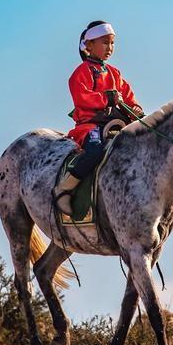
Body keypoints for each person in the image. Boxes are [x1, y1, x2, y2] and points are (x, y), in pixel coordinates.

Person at [53, 20, 144, 216]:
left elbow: (128, 98)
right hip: (90, 126)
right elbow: (81, 98)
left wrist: (136, 110)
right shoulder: (81, 72)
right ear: (89, 45)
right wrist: (106, 98)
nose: (109, 48)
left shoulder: (115, 73)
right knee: (95, 151)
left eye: (112, 43)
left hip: (116, 126)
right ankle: (65, 189)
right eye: (105, 42)